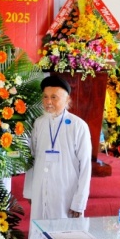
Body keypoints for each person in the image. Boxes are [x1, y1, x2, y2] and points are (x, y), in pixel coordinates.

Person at [23, 75, 92, 221]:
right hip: (40, 190)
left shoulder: (78, 126)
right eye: (45, 97)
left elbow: (85, 166)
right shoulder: (39, 123)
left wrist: (79, 202)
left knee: (65, 236)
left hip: (66, 193)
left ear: (67, 100)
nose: (48, 102)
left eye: (54, 97)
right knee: (40, 234)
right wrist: (30, 192)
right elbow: (32, 159)